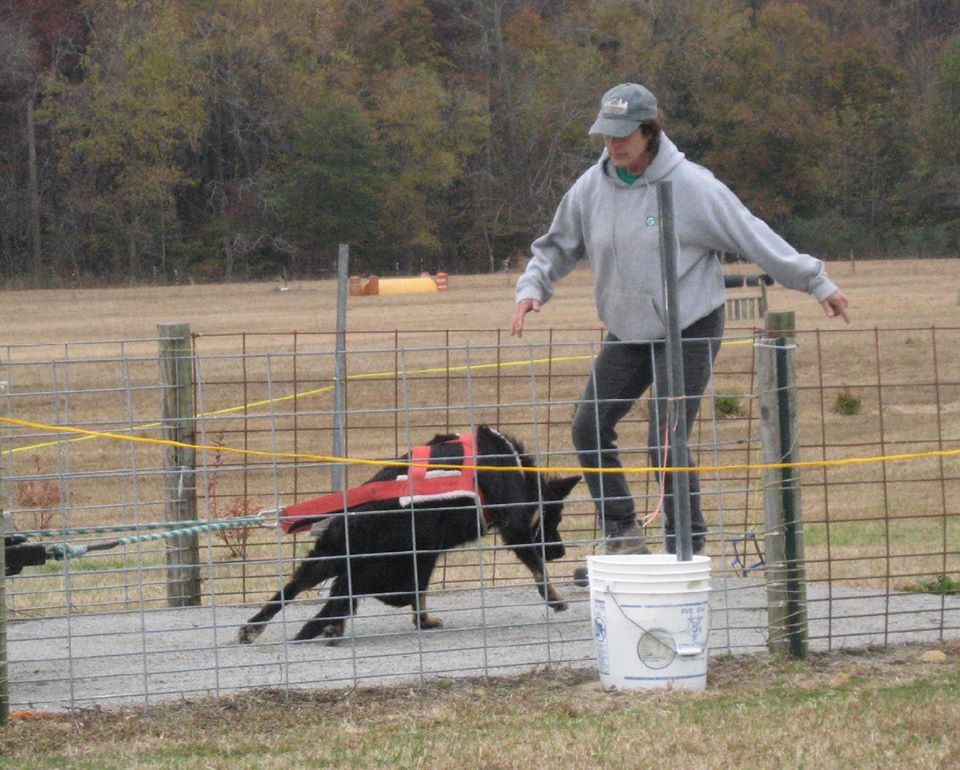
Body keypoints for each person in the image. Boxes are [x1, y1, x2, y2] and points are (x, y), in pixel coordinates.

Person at [510, 82, 849, 568]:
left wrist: (816, 281)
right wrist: (532, 288)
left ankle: (685, 545)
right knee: (589, 424)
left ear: (650, 132)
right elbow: (556, 245)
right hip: (627, 329)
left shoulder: (693, 186)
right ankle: (623, 533)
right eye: (607, 135)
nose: (614, 144)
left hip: (689, 323)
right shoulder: (590, 188)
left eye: (624, 135)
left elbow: (753, 235)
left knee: (665, 438)